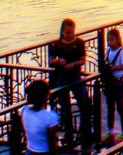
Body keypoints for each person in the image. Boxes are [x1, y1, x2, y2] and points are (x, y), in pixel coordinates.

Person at [47, 18, 91, 150]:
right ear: (62, 32)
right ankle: (69, 135)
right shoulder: (56, 45)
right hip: (62, 78)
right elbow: (51, 60)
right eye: (67, 33)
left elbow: (83, 60)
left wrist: (73, 64)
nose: (70, 35)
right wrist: (59, 61)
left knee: (84, 104)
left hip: (76, 77)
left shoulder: (79, 43)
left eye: (72, 32)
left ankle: (85, 134)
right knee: (65, 108)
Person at [102, 27, 123, 143]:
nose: (110, 42)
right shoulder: (108, 51)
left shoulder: (121, 52)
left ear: (118, 40)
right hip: (110, 83)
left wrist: (115, 68)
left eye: (112, 40)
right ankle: (111, 131)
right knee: (110, 108)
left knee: (120, 107)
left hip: (118, 82)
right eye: (108, 40)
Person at [21, 79, 60, 155]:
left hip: (29, 151)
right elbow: (52, 143)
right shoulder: (50, 117)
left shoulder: (24, 111)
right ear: (46, 96)